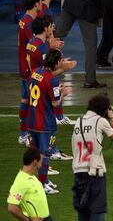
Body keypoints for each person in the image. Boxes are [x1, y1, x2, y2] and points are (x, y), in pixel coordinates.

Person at [27, 49, 73, 194]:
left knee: (34, 153)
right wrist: (63, 94)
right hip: (45, 123)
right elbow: (55, 103)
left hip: (32, 120)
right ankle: (42, 185)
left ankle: (38, 181)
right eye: (61, 60)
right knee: (45, 155)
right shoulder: (52, 81)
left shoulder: (36, 72)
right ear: (57, 62)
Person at [72, 94, 113, 220]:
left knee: (82, 211)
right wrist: (111, 118)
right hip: (95, 173)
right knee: (97, 212)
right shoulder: (101, 121)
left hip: (78, 172)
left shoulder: (79, 121)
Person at [17, 0, 43, 147]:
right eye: (40, 3)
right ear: (36, 5)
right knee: (30, 102)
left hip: (24, 68)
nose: (41, 6)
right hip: (28, 69)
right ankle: (25, 134)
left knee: (25, 100)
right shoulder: (28, 24)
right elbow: (31, 47)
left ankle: (23, 133)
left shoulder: (23, 21)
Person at [7, 148, 53, 221]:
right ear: (35, 162)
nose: (41, 165)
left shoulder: (32, 176)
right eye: (40, 162)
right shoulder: (21, 181)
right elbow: (11, 207)